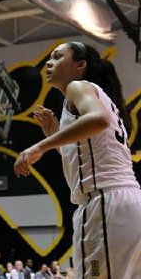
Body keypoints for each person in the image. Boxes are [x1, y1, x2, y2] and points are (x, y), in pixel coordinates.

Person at [14, 41, 141, 278]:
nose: (49, 63)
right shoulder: (98, 98)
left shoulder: (78, 87)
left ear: (80, 65)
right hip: (128, 203)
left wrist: (38, 147)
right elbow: (86, 157)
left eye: (58, 56)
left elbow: (99, 120)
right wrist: (53, 133)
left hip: (105, 202)